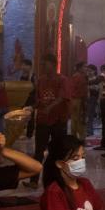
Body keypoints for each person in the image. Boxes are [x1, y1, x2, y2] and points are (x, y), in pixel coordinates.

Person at [28, 54, 69, 187]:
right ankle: (33, 181)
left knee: (58, 151)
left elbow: (62, 98)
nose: (43, 67)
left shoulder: (62, 80)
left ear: (52, 63)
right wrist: (30, 108)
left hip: (58, 120)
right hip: (43, 121)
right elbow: (38, 99)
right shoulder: (41, 80)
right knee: (39, 151)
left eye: (45, 64)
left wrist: (49, 108)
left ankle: (58, 180)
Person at [68, 62, 88, 142]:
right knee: (79, 119)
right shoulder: (79, 77)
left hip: (76, 100)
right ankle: (80, 138)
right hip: (78, 100)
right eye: (84, 67)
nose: (86, 68)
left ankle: (75, 136)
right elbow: (80, 90)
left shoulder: (76, 76)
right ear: (79, 68)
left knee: (75, 119)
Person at [85, 64, 100, 136]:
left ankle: (89, 131)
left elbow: (97, 89)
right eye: (87, 70)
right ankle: (87, 130)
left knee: (90, 115)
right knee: (85, 115)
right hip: (85, 98)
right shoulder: (86, 78)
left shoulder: (96, 79)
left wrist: (88, 87)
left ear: (94, 71)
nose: (88, 72)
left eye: (90, 71)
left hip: (92, 98)